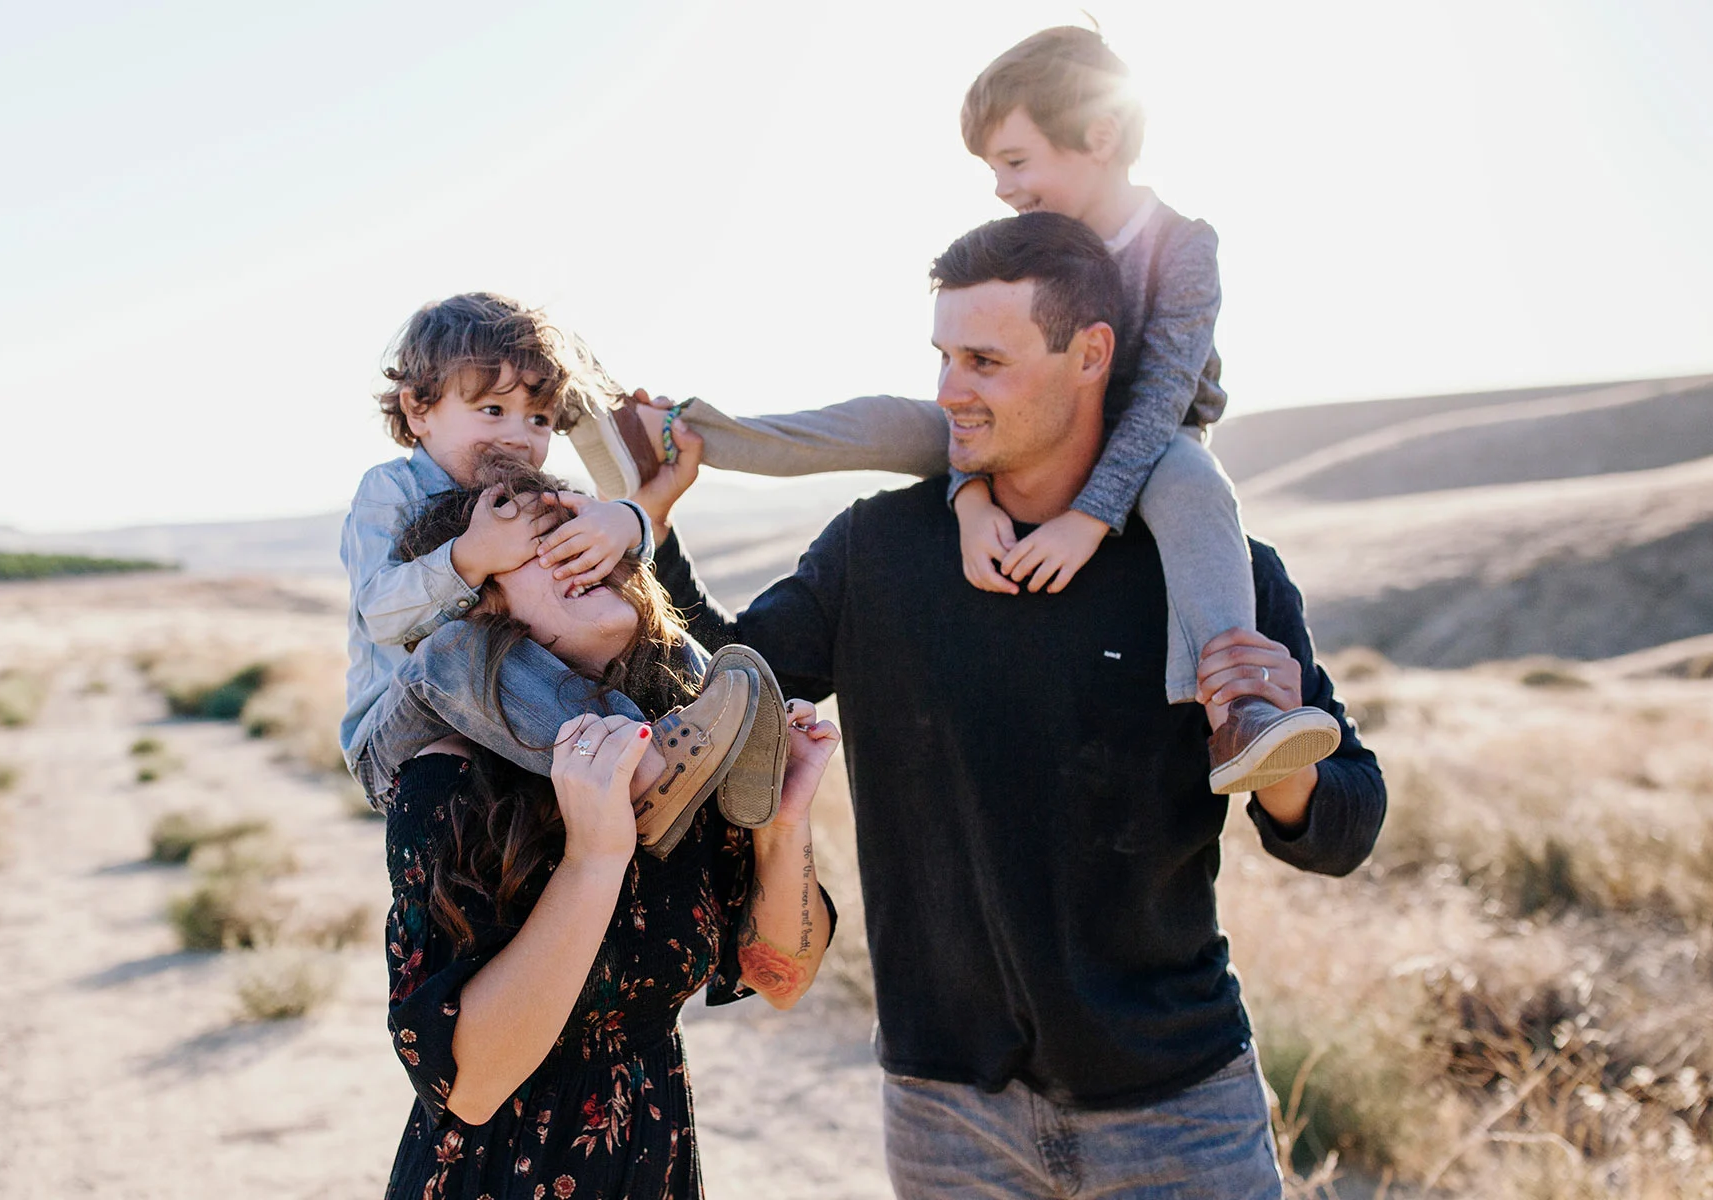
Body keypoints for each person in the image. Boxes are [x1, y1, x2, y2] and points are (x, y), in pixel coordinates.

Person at [625, 213, 1387, 1199]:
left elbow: (1345, 827)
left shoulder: (1211, 576)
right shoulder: (879, 552)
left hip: (1180, 1110)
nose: (949, 391)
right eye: (943, 355)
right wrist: (655, 523)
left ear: (1091, 355)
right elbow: (724, 680)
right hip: (946, 1117)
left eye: (985, 359)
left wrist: (1286, 769)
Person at [566, 26, 1340, 796]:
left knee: (1198, 487)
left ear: (1100, 136)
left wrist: (1089, 518)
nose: (1004, 187)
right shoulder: (1031, 248)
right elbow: (971, 397)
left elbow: (1162, 395)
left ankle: (1242, 708)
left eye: (1015, 161)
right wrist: (967, 497)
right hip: (1020, 435)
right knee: (880, 419)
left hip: (1154, 440)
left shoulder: (1181, 246)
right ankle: (679, 432)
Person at [376, 459, 841, 1200]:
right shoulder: (449, 781)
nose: (582, 554)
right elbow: (470, 1085)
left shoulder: (686, 753)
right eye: (540, 546)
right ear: (476, 606)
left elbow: (778, 978)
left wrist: (782, 828)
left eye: (587, 533)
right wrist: (595, 859)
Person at [339, 292, 787, 856]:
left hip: (516, 704)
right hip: (399, 729)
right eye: (493, 410)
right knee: (456, 647)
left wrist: (626, 521)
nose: (520, 435)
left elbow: (606, 566)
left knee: (642, 620)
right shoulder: (390, 491)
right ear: (418, 408)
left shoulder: (529, 485)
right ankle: (642, 771)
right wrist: (471, 557)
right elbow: (377, 613)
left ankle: (731, 712)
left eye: (540, 418)